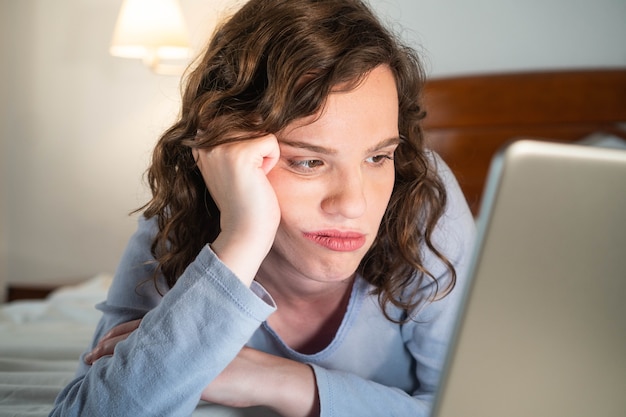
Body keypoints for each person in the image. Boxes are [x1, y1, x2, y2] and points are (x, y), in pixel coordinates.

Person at [50, 0, 475, 416]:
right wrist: (242, 235)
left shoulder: (422, 199)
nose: (353, 204)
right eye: (309, 161)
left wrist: (275, 380)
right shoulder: (180, 217)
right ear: (228, 151)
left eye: (377, 157)